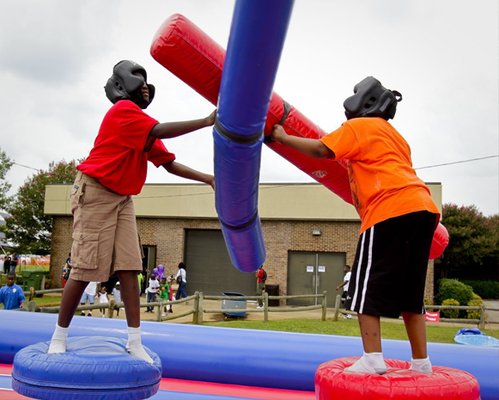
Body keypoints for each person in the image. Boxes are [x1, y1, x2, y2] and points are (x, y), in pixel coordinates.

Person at [47, 59, 216, 364]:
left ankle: (134, 341)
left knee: (129, 265)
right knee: (84, 268)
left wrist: (208, 179)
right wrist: (205, 121)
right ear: (124, 87)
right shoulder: (123, 112)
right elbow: (161, 129)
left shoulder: (142, 127)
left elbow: (167, 162)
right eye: (141, 82)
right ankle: (58, 337)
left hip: (122, 197)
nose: (147, 89)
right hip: (95, 192)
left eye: (149, 84)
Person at [270, 76, 439, 375]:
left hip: (389, 208)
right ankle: (421, 363)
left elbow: (322, 150)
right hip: (423, 209)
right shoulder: (397, 137)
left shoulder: (359, 127)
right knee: (411, 294)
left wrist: (282, 138)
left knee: (364, 287)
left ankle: (373, 358)